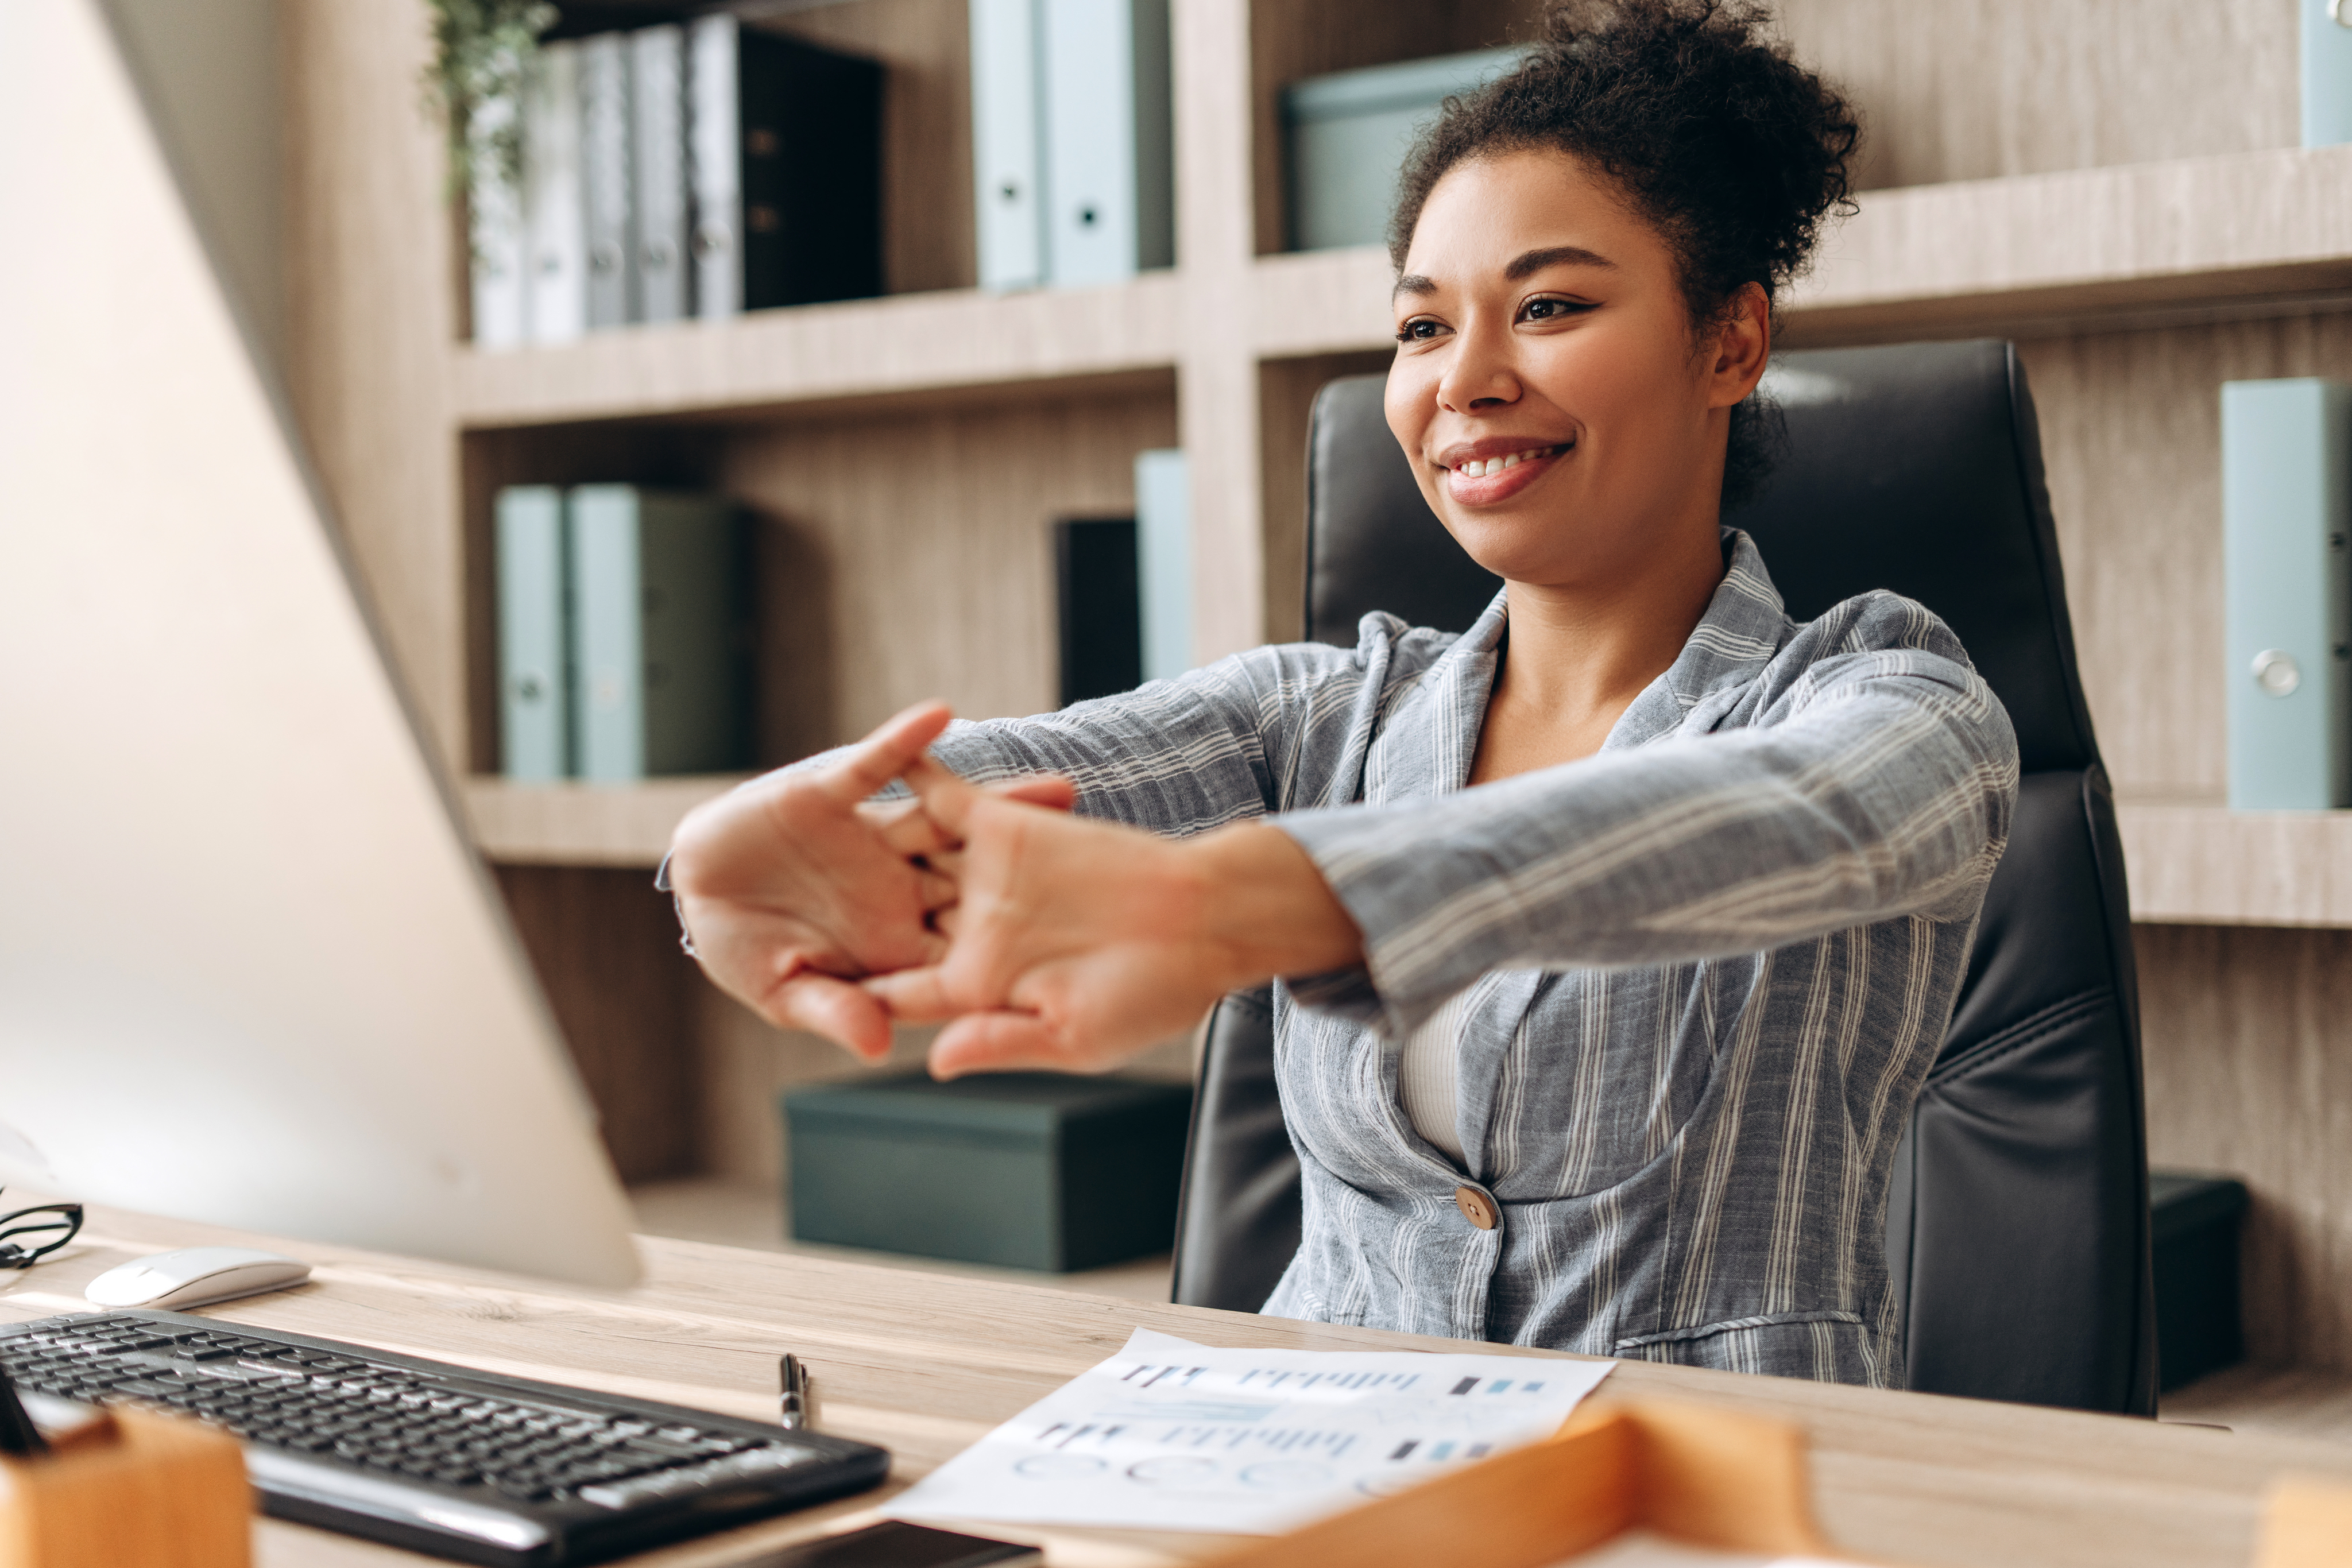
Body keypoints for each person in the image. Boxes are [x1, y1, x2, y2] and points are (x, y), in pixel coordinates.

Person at [663, 0, 2017, 1388]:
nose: (1466, 380)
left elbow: (1794, 820)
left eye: (1548, 307)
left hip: (1706, 1490)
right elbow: (967, 789)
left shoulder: (1888, 702)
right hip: (1309, 1458)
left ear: (1729, 343)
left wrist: (1234, 902)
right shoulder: (1323, 718)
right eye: (1421, 326)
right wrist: (771, 855)